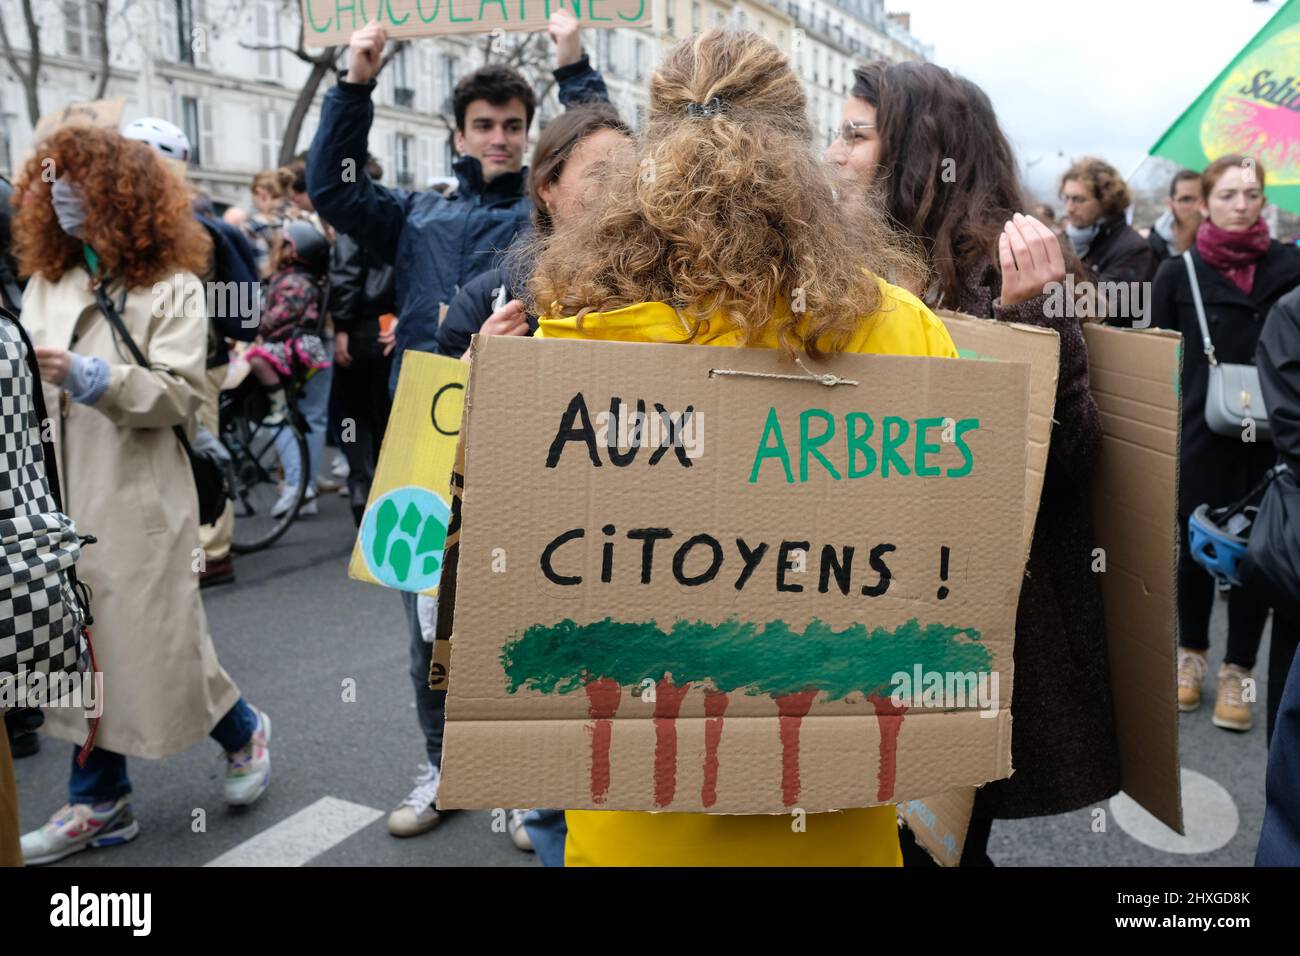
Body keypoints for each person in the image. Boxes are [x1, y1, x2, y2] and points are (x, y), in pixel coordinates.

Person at [526, 28, 957, 866]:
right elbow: (946, 563)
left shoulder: (571, 332)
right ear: (798, 147)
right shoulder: (902, 328)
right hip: (833, 795)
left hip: (635, 805)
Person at [309, 11, 609, 839]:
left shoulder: (552, 219)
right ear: (458, 135)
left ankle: (521, 778)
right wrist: (356, 81)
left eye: (516, 127)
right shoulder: (415, 216)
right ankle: (444, 766)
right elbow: (332, 189)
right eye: (485, 126)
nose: (501, 140)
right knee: (426, 628)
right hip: (424, 444)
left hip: (531, 448)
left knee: (525, 616)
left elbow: (605, 157)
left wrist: (574, 67)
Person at [829, 60, 1118, 867]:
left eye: (855, 135)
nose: (832, 153)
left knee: (931, 843)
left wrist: (1036, 326)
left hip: (960, 629)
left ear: (921, 151)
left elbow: (1066, 463)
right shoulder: (847, 261)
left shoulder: (1008, 270)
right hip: (858, 603)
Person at [14, 126, 273, 865]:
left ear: (119, 192)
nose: (61, 193)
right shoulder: (47, 280)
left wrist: (91, 379)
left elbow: (182, 396)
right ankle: (103, 800)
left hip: (137, 500)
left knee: (148, 651)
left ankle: (218, 740)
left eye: (79, 181)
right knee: (83, 649)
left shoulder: (174, 286)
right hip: (57, 495)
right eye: (52, 179)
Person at [1153, 154, 1300, 735]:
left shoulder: (1291, 266)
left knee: (1261, 556)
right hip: (1199, 434)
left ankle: (1241, 669)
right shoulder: (1178, 272)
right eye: (1229, 194)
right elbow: (1158, 357)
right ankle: (1190, 655)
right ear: (1205, 202)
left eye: (1252, 194)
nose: (1242, 205)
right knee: (1194, 547)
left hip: (1274, 438)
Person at [124, 117, 262, 588]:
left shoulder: (185, 230)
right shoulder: (165, 223)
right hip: (183, 358)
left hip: (196, 361)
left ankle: (214, 551)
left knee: (199, 449)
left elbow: (192, 300)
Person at [436, 102, 631, 359]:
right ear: (546, 187)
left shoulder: (674, 289)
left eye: (631, 175)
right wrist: (473, 364)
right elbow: (438, 396)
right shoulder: (487, 300)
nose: (623, 190)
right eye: (601, 174)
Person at [329, 157, 396, 525]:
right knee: (384, 414)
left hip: (357, 328)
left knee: (352, 415)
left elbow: (344, 277)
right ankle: (385, 494)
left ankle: (360, 485)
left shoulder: (350, 224)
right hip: (389, 326)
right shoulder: (396, 219)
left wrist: (340, 328)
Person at [1059, 156, 1156, 310]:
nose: (1069, 208)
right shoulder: (1061, 241)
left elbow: (1107, 307)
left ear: (1105, 201)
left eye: (1078, 200)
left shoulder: (1134, 248)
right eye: (1066, 198)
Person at [248, 167, 298, 276]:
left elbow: (264, 273)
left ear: (260, 193)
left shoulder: (255, 225)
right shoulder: (301, 216)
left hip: (272, 289)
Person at [1149, 169, 1203, 262]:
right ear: (1170, 204)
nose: (1197, 207)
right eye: (1186, 200)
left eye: (1203, 198)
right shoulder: (1153, 248)